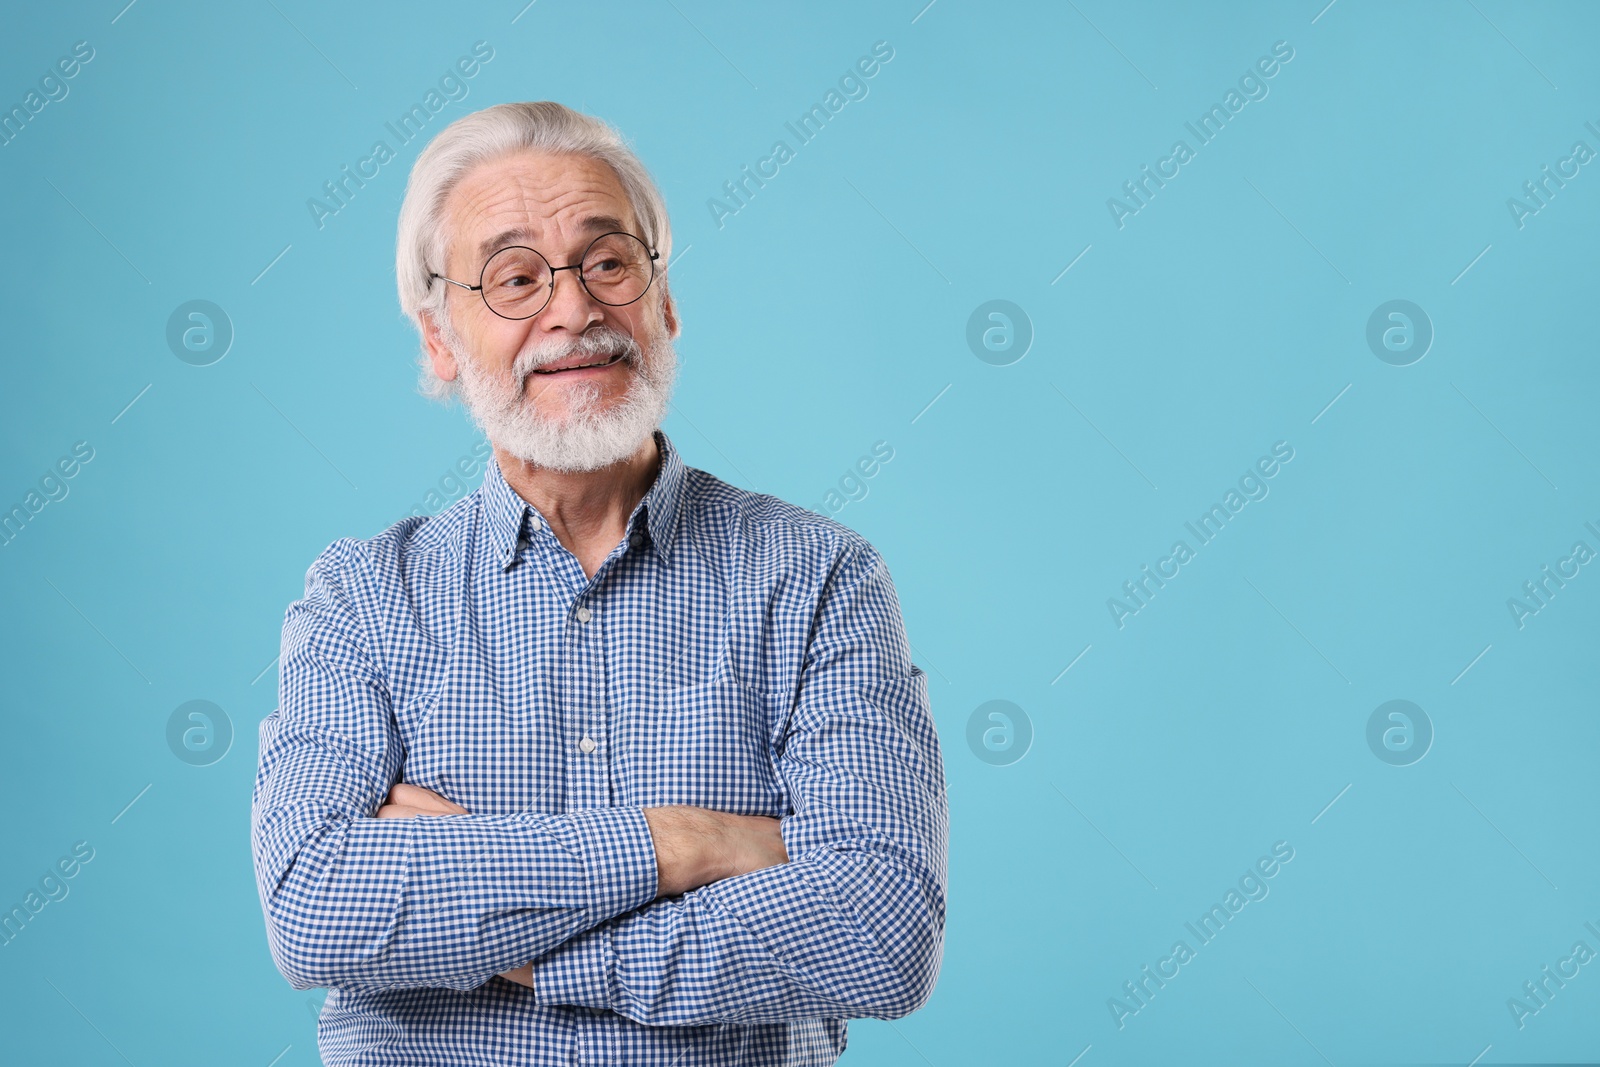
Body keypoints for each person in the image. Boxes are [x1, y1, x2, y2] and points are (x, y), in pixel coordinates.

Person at [249, 100, 948, 1067]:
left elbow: (880, 929)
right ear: (440, 338)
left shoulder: (820, 577)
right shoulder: (360, 599)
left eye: (608, 262)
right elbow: (316, 908)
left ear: (663, 301)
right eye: (515, 278)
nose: (573, 309)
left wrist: (516, 938)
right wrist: (676, 845)